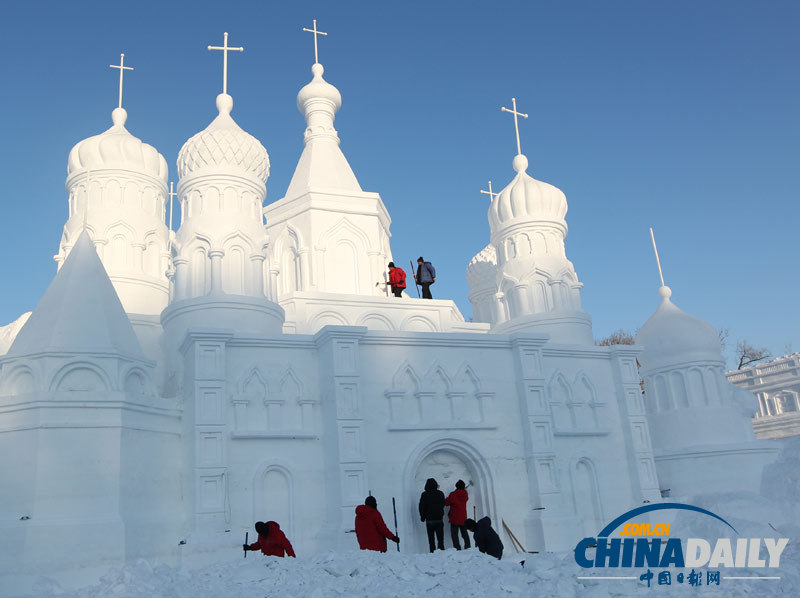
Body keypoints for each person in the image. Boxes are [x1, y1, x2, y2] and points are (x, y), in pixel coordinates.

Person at [418, 477, 445, 552]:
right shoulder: (440, 493)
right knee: (440, 540)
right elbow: (443, 504)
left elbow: (422, 507)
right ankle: (442, 553)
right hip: (439, 519)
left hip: (429, 520)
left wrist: (422, 517)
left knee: (431, 540)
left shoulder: (424, 494)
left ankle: (432, 554)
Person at [444, 479, 470, 550]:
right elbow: (466, 499)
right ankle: (468, 546)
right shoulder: (465, 494)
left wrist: (446, 498)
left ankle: (457, 548)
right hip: (463, 517)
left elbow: (446, 503)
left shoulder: (453, 494)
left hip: (454, 517)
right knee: (464, 533)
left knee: (454, 535)